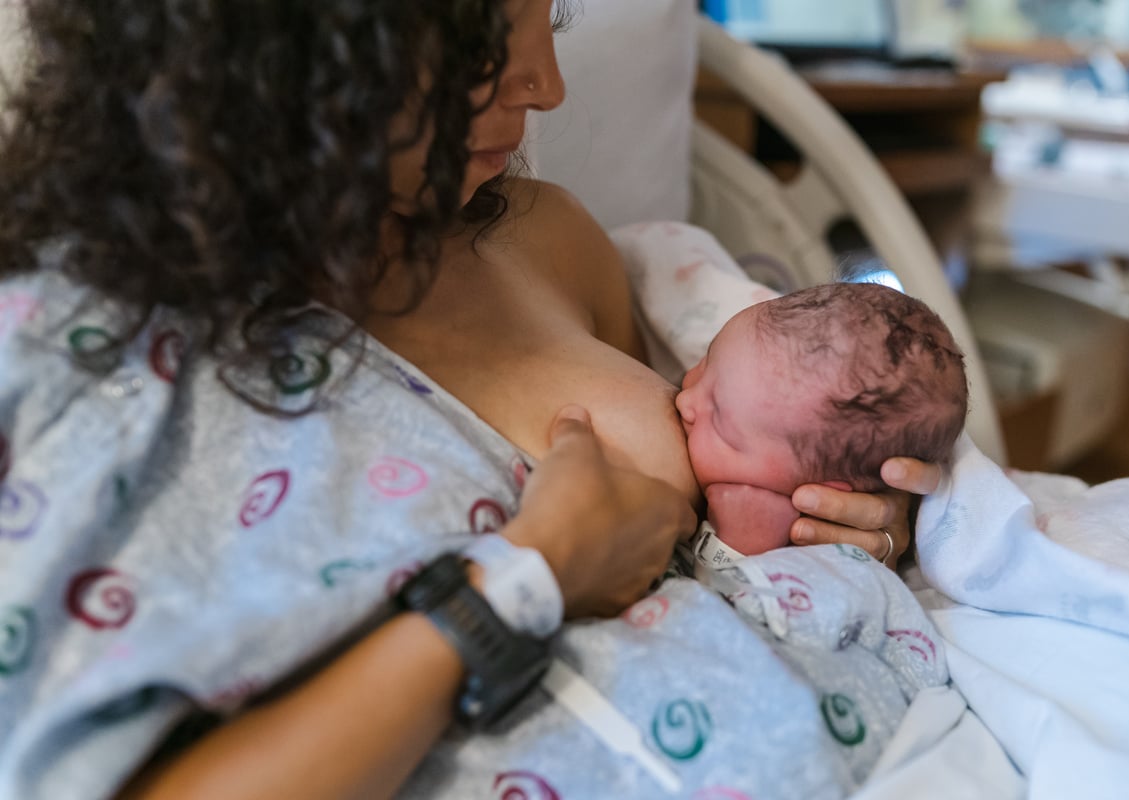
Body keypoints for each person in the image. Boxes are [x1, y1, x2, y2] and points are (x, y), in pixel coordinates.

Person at [0, 2, 941, 797]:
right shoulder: (88, 359)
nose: (546, 85)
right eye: (482, 34)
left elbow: (749, 527)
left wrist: (854, 517)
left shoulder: (546, 239)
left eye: (548, 16)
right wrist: (531, 575)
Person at [675, 281, 968, 559]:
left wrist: (737, 544)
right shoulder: (753, 368)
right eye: (705, 363)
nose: (685, 400)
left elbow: (726, 602)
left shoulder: (774, 528)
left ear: (823, 492)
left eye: (721, 427)